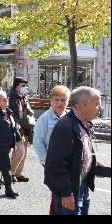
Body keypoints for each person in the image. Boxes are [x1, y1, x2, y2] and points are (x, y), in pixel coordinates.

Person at [44, 86, 104, 215]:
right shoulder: (66, 126)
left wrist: (92, 164)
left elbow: (79, 153)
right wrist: (66, 193)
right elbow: (56, 164)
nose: (100, 107)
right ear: (84, 105)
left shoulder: (83, 123)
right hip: (70, 190)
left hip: (82, 185)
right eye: (97, 104)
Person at [33, 85, 71, 214]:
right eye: (56, 100)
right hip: (53, 164)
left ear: (68, 101)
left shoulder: (69, 117)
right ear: (51, 101)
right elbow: (38, 144)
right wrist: (47, 162)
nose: (60, 103)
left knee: (63, 195)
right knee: (58, 193)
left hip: (68, 164)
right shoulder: (44, 119)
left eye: (63, 100)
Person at [9, 77, 35, 182]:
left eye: (25, 86)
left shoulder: (23, 96)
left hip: (26, 126)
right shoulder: (11, 96)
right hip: (17, 127)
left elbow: (27, 110)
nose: (25, 88)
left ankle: (19, 173)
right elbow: (10, 113)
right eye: (23, 86)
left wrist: (30, 113)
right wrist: (16, 125)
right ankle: (11, 173)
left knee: (24, 153)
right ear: (16, 86)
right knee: (19, 152)